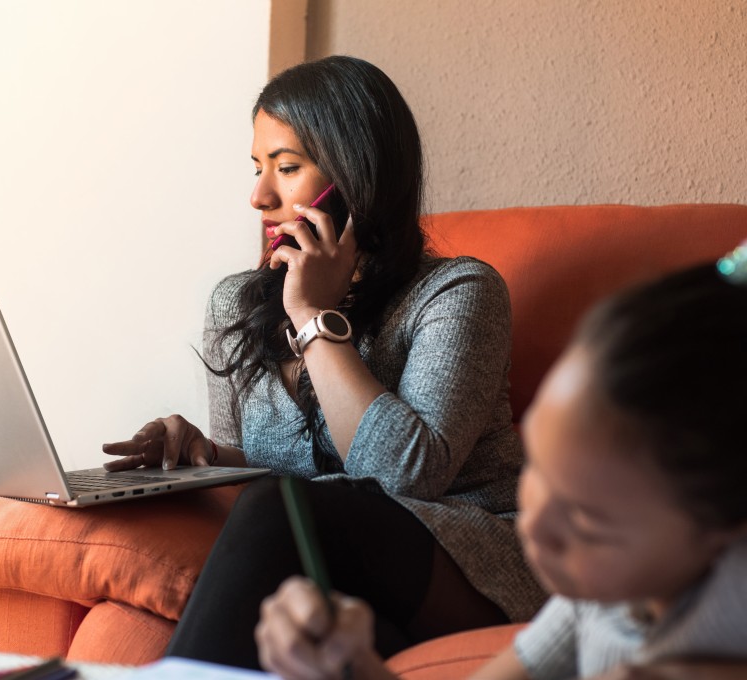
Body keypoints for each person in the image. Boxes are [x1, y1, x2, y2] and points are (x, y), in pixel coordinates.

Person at [101, 55, 547, 668]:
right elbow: (256, 472)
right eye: (257, 169)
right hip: (332, 587)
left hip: (465, 571)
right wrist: (202, 452)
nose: (259, 197)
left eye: (286, 168)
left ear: (353, 178)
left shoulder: (459, 293)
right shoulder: (236, 301)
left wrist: (314, 319)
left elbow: (403, 478)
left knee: (285, 506)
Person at [255, 231, 747, 680]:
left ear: (739, 524)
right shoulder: (597, 600)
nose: (536, 522)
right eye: (540, 470)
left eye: (589, 517)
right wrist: (351, 666)